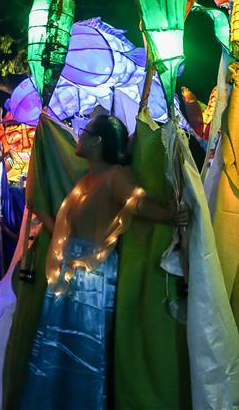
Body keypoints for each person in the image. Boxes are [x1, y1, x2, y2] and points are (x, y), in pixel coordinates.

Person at [19, 115, 182, 409]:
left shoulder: (114, 175)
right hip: (69, 274)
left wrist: (169, 215)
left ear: (98, 141)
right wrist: (41, 211)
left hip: (93, 279)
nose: (79, 136)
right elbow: (65, 226)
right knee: (58, 348)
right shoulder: (86, 180)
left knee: (84, 351)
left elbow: (137, 202)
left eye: (85, 131)